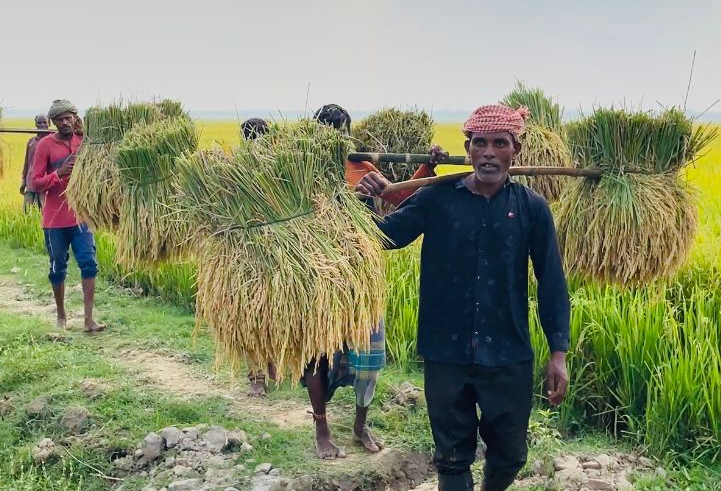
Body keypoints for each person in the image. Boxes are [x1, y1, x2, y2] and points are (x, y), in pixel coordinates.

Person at [355, 104, 571, 491]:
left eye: (500, 143)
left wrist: (558, 352)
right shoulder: (437, 198)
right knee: (452, 458)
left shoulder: (531, 209)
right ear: (468, 149)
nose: (489, 153)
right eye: (480, 143)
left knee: (511, 455)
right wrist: (364, 200)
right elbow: (385, 237)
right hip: (446, 353)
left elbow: (551, 280)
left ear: (515, 150)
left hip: (507, 353)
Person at [304, 103, 446, 458]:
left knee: (368, 357)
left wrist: (429, 166)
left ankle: (359, 426)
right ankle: (322, 431)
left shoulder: (360, 166)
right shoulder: (302, 171)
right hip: (319, 274)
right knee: (316, 353)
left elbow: (398, 196)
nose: (336, 139)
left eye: (341, 132)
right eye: (328, 132)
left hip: (362, 273)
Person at [26, 99, 105, 332]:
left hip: (81, 217)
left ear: (74, 118)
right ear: (53, 122)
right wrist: (58, 173)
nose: (65, 122)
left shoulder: (85, 142)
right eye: (60, 119)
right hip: (54, 220)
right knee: (57, 267)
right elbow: (35, 182)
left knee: (89, 263)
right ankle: (61, 316)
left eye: (68, 118)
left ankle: (89, 319)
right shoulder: (45, 146)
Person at [239, 117, 279, 398]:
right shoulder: (238, 169)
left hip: (273, 251)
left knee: (265, 314)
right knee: (253, 315)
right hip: (248, 254)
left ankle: (267, 367)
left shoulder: (279, 168)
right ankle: (257, 376)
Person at [20, 114, 51, 212]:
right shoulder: (31, 142)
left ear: (49, 124)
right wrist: (23, 181)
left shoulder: (52, 141)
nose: (42, 125)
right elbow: (27, 163)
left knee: (44, 211)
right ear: (36, 124)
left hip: (45, 182)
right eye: (39, 122)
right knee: (27, 211)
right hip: (30, 182)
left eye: (44, 122)